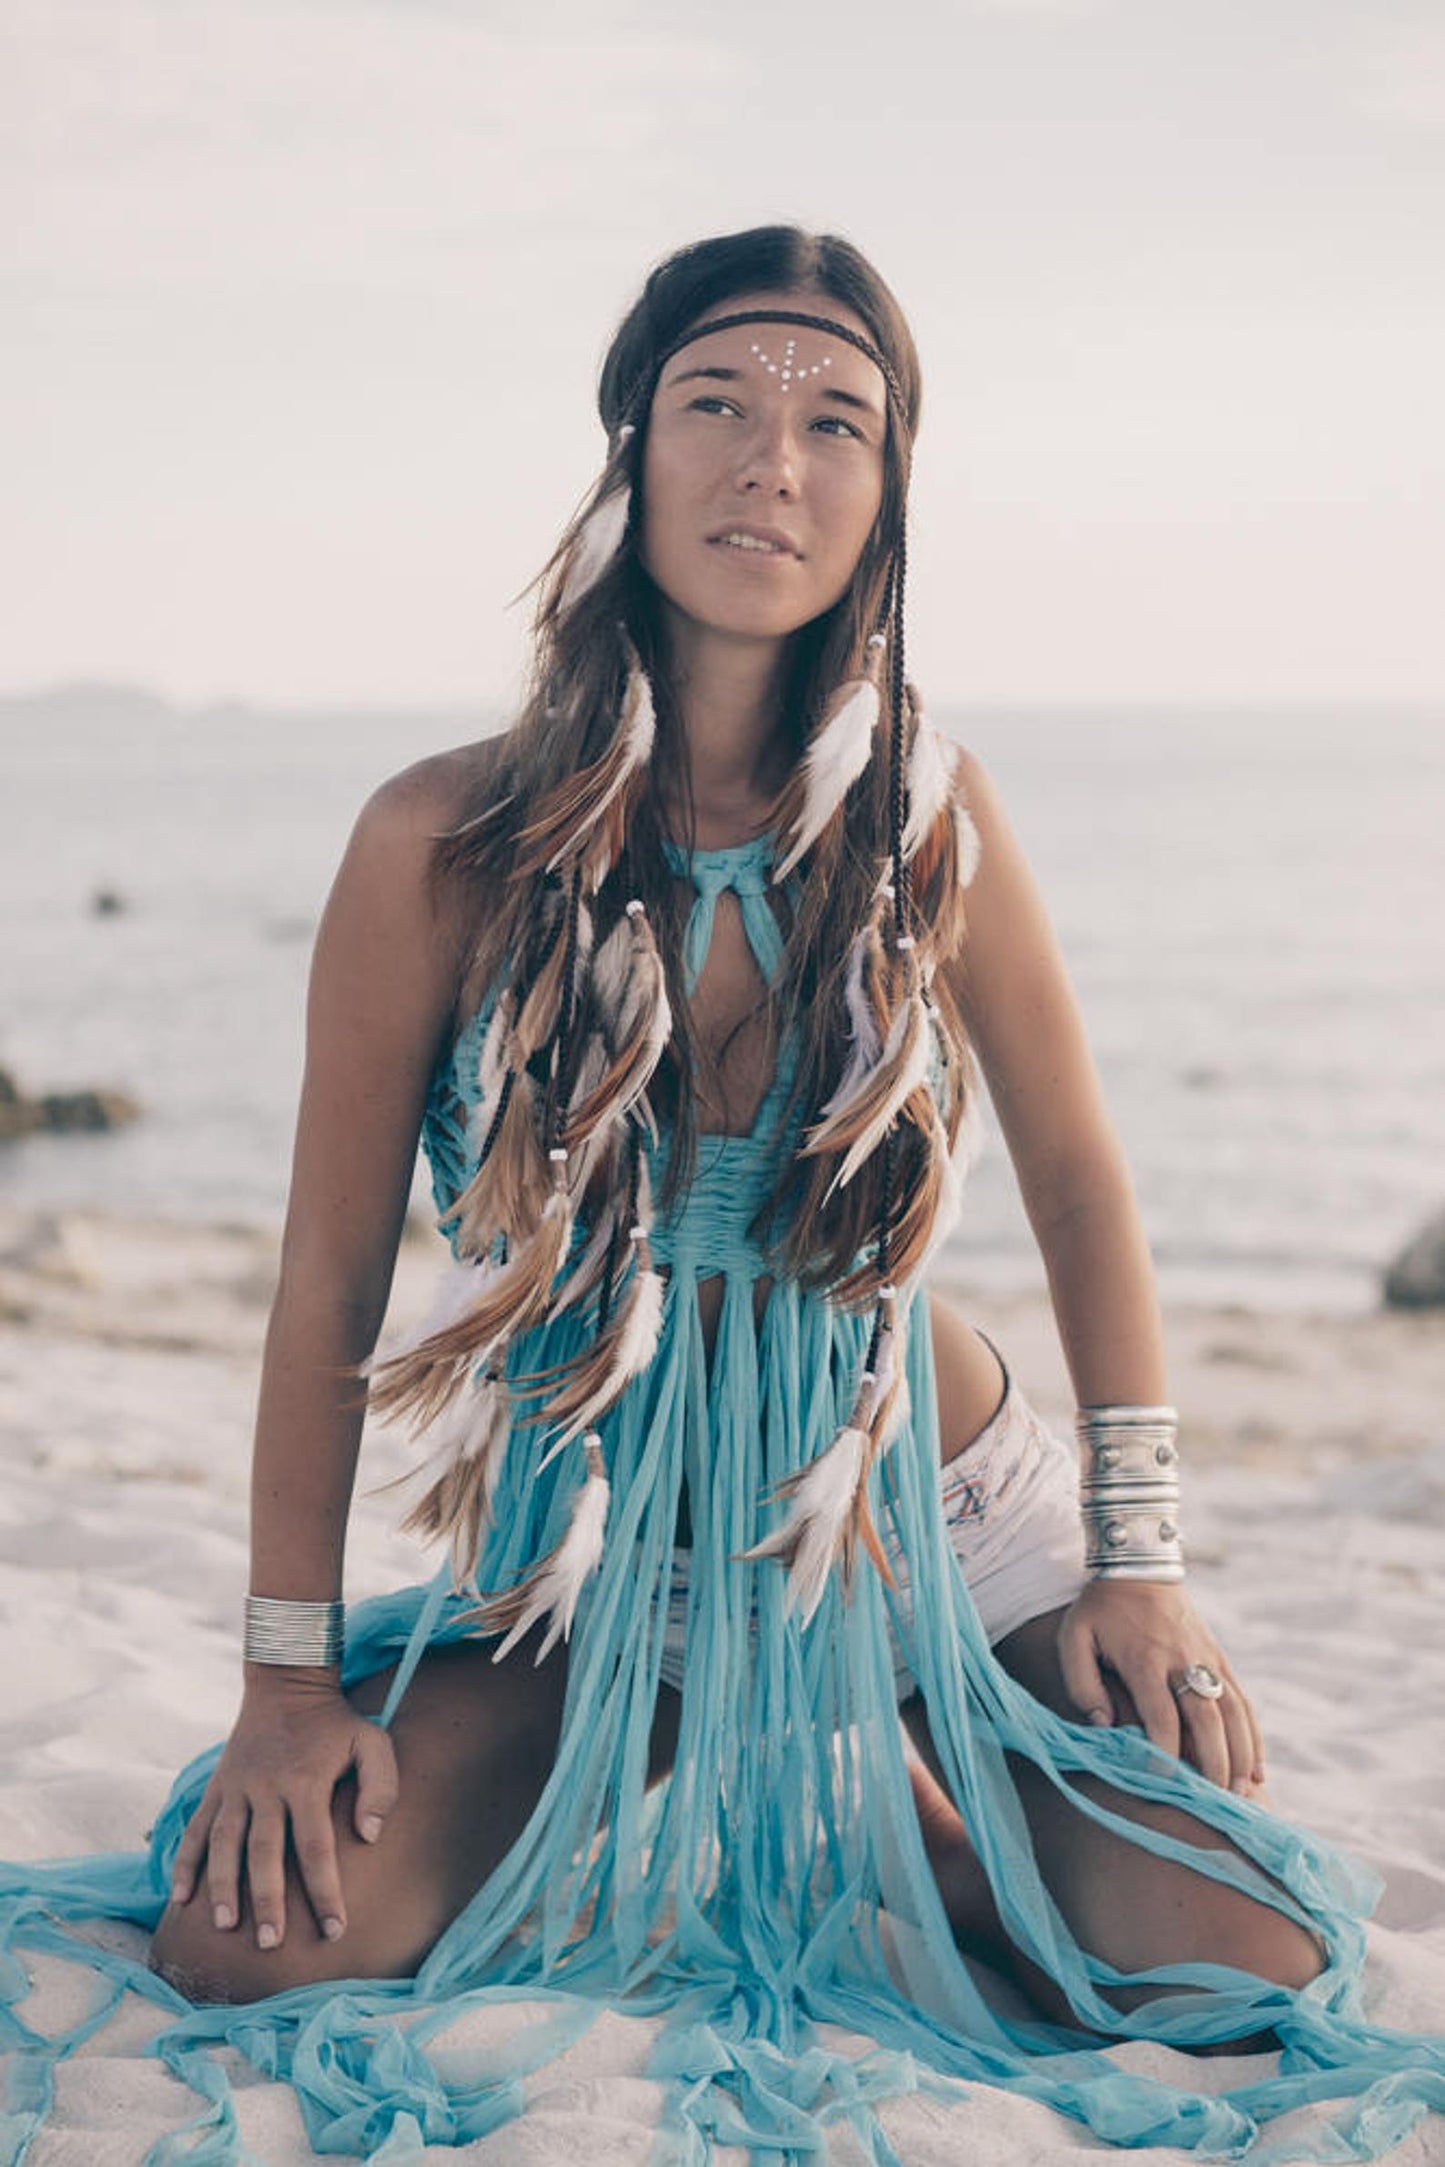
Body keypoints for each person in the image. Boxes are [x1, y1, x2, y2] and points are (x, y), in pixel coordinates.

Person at [3, 226, 1440, 2164]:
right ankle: (686, 1741)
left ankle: (900, 1775)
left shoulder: (931, 808)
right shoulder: (441, 842)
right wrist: (280, 1682)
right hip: (586, 1547)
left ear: (886, 498)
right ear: (631, 452)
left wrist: (1141, 1553)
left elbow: (1087, 1183)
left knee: (1239, 1958)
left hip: (900, 1517)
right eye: (722, 404)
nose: (777, 457)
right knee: (245, 1948)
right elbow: (333, 1283)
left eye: (837, 420)